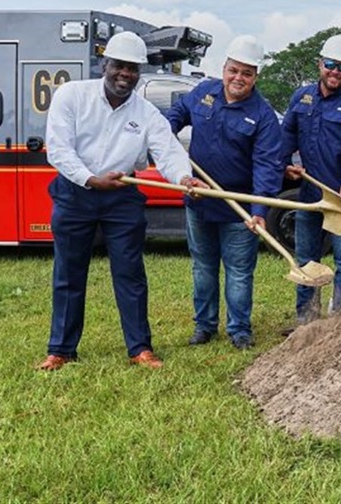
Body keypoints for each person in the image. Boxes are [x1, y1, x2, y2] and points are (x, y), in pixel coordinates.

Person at [39, 32, 204, 371]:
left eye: (132, 69)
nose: (125, 74)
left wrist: (184, 178)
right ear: (105, 65)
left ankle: (140, 348)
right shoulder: (72, 96)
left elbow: (168, 152)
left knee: (130, 273)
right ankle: (61, 350)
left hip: (121, 198)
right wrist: (90, 178)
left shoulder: (146, 113)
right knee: (69, 274)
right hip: (75, 192)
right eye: (119, 66)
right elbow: (58, 149)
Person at [166, 35, 282, 350]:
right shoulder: (203, 92)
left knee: (239, 272)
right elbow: (175, 116)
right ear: (224, 68)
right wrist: (165, 137)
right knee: (202, 267)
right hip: (198, 202)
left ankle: (239, 330)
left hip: (238, 209)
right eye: (234, 70)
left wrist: (259, 211)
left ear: (256, 76)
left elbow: (268, 166)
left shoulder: (263, 116)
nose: (238, 78)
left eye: (246, 73)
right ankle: (204, 327)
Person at [280, 34, 341, 324]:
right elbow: (287, 135)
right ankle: (306, 322)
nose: (335, 71)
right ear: (320, 63)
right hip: (310, 194)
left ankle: (340, 321)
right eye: (330, 64)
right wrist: (283, 163)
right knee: (307, 259)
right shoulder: (302, 97)